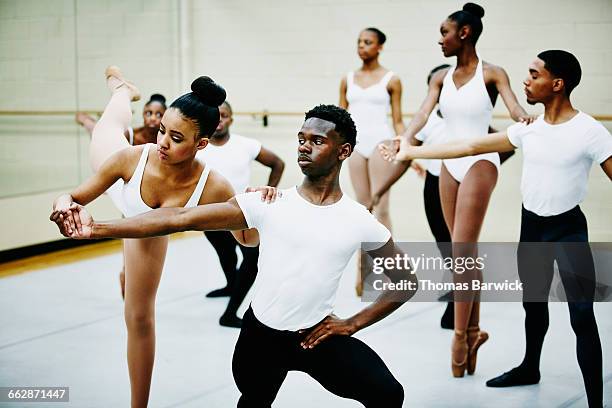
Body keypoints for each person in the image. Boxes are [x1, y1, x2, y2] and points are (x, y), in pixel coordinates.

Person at [52, 105, 418, 408]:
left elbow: (407, 282)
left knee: (389, 394)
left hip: (315, 337)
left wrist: (352, 323)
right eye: (301, 139)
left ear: (344, 151)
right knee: (253, 401)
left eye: (317, 141)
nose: (304, 147)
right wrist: (97, 229)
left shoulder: (358, 219)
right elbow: (179, 218)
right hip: (261, 340)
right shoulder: (268, 203)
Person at [383, 50, 612, 408]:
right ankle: (530, 367)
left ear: (557, 84)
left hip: (569, 232)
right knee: (533, 306)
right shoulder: (528, 129)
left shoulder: (590, 131)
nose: (526, 81)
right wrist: (410, 152)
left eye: (534, 75)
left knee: (581, 315)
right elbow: (470, 145)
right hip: (532, 228)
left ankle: (597, 402)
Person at [50, 66, 272, 408]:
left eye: (176, 138)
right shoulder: (132, 157)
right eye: (162, 130)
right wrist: (64, 207)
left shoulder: (214, 186)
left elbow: (247, 241)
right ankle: (122, 89)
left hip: (145, 226)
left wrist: (257, 209)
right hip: (115, 170)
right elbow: (72, 197)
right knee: (111, 124)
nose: (162, 143)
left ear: (201, 144)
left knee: (138, 317)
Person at [378, 2, 535, 377]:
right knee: (460, 253)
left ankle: (461, 336)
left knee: (464, 249)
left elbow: (513, 108)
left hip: (481, 159)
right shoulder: (440, 78)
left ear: (464, 34)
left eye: (444, 33)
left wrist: (525, 120)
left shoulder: (493, 73)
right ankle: (475, 330)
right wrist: (404, 139)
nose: (440, 40)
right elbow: (420, 115)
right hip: (450, 162)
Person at [416, 64, 516, 330]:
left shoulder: (469, 122)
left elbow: (503, 146)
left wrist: (480, 174)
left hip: (463, 183)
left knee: (460, 249)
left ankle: (458, 310)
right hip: (434, 183)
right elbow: (410, 148)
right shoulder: (429, 121)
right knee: (444, 244)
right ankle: (458, 298)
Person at [339, 27, 417, 295]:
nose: (362, 46)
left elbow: (397, 119)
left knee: (381, 207)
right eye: (359, 41)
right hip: (357, 145)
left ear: (380, 47)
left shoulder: (392, 79)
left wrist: (406, 148)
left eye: (368, 42)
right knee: (363, 208)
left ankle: (391, 271)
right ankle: (364, 272)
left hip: (382, 142)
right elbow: (341, 116)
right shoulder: (348, 78)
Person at [196, 100, 285, 328]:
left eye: (223, 116)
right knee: (226, 256)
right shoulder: (199, 148)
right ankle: (230, 286)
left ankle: (230, 313)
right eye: (215, 117)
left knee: (251, 259)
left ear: (231, 119)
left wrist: (267, 196)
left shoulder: (246, 145)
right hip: (211, 216)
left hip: (241, 214)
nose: (219, 121)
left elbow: (277, 163)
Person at [76, 93, 167, 298]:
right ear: (142, 115)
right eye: (148, 113)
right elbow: (106, 147)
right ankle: (127, 272)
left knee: (149, 242)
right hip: (129, 193)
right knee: (131, 238)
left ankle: (139, 283)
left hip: (154, 198)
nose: (153, 118)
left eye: (158, 114)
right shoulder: (130, 134)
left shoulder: (165, 141)